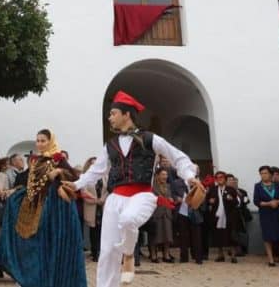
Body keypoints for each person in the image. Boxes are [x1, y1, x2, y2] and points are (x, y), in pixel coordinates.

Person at [69, 91, 198, 286]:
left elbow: (177, 157)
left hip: (142, 195)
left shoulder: (150, 138)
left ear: (126, 114)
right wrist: (76, 184)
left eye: (113, 113)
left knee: (129, 219)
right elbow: (95, 171)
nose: (109, 117)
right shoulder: (110, 145)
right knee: (107, 252)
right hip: (114, 199)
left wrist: (189, 177)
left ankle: (129, 255)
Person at [0, 129, 87, 287]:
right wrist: (16, 193)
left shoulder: (59, 158)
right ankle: (33, 276)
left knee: (56, 241)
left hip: (59, 207)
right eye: (37, 140)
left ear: (50, 141)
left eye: (43, 140)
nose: (39, 144)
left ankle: (59, 279)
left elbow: (74, 178)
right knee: (37, 240)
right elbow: (32, 185)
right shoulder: (36, 161)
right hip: (39, 204)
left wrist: (59, 172)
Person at [254, 165, 279, 267]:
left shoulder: (277, 185)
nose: (263, 175)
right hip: (266, 214)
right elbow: (256, 201)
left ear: (270, 174)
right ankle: (271, 259)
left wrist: (277, 202)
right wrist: (269, 203)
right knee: (268, 237)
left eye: (265, 173)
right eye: (261, 173)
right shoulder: (257, 186)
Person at [207, 171, 242, 263]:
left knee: (231, 235)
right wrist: (210, 201)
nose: (219, 179)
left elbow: (237, 202)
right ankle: (220, 255)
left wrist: (231, 199)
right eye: (217, 177)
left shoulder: (231, 189)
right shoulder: (213, 189)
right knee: (218, 235)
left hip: (229, 216)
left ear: (225, 179)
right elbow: (207, 200)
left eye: (221, 177)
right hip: (217, 216)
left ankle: (233, 255)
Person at [149, 168, 176, 263]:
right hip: (157, 213)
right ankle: (153, 255)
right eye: (163, 174)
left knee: (168, 235)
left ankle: (166, 255)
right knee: (155, 235)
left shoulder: (168, 186)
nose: (165, 176)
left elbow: (171, 196)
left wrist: (172, 199)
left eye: (166, 175)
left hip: (167, 213)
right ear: (158, 176)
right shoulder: (153, 186)